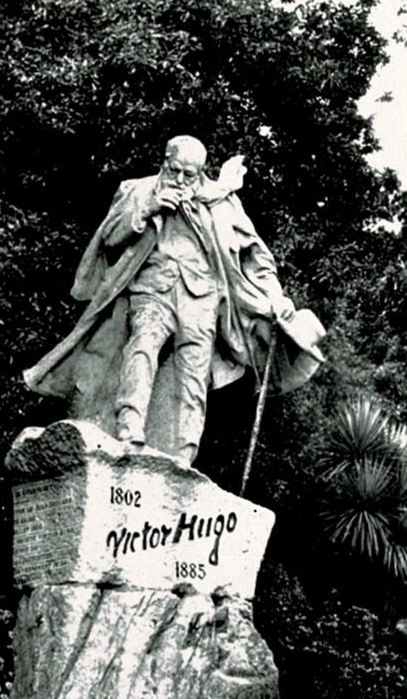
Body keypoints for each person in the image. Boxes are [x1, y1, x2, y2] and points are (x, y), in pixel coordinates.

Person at [23, 136, 325, 469]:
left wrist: (274, 295)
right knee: (142, 346)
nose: (181, 180)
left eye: (190, 174)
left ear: (202, 172)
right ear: (165, 161)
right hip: (152, 287)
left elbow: (257, 257)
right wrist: (148, 208)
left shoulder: (222, 202)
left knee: (194, 376)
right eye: (176, 170)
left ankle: (183, 457)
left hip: (203, 298)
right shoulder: (138, 190)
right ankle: (129, 429)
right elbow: (109, 241)